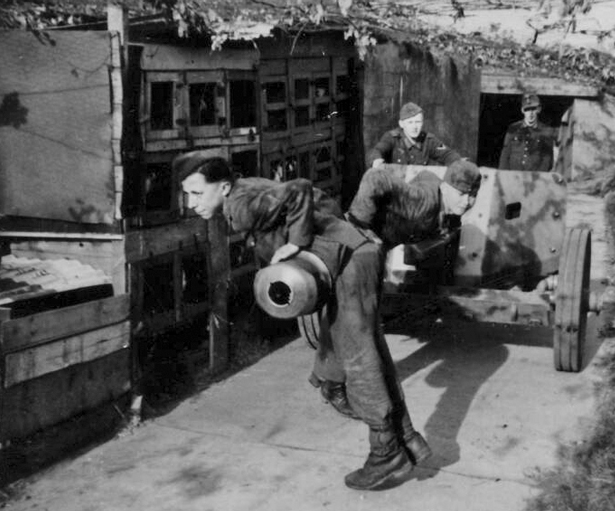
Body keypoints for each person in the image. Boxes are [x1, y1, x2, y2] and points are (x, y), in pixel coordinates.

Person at [174, 150, 428, 491]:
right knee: (356, 360)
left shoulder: (240, 203)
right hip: (354, 257)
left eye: (196, 193)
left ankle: (387, 455)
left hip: (350, 264)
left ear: (222, 187)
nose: (191, 203)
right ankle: (407, 439)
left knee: (358, 361)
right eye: (186, 194)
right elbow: (318, 204)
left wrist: (294, 244)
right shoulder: (243, 195)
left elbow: (301, 189)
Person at [309, 159, 482, 425]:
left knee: (349, 314)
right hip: (357, 248)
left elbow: (426, 174)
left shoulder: (438, 200)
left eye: (473, 195)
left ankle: (325, 377)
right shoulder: (424, 201)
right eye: (462, 193)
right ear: (446, 187)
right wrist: (361, 224)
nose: (467, 201)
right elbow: (376, 177)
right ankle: (333, 386)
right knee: (355, 319)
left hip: (372, 251)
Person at [366, 102, 463, 169]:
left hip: (419, 190)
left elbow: (448, 154)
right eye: (410, 122)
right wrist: (376, 160)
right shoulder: (392, 138)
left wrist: (458, 162)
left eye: (418, 122)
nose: (414, 126)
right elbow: (376, 150)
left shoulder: (428, 140)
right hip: (398, 189)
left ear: (423, 122)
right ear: (401, 124)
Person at [498, 92, 558, 172]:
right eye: (527, 109)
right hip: (514, 176)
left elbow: (547, 159)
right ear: (522, 110)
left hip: (535, 178)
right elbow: (505, 154)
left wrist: (539, 177)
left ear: (538, 109)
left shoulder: (546, 131)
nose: (530, 113)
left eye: (533, 109)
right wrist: (503, 176)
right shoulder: (513, 128)